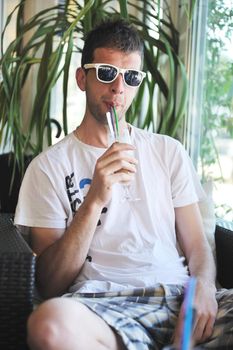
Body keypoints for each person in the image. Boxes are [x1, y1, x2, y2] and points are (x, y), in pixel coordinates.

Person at [14, 19, 233, 350]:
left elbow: (198, 245)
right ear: (81, 78)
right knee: (49, 326)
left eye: (131, 77)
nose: (118, 87)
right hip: (101, 305)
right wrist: (94, 200)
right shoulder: (47, 168)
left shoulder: (167, 151)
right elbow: (49, 283)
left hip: (179, 298)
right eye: (106, 73)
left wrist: (202, 286)